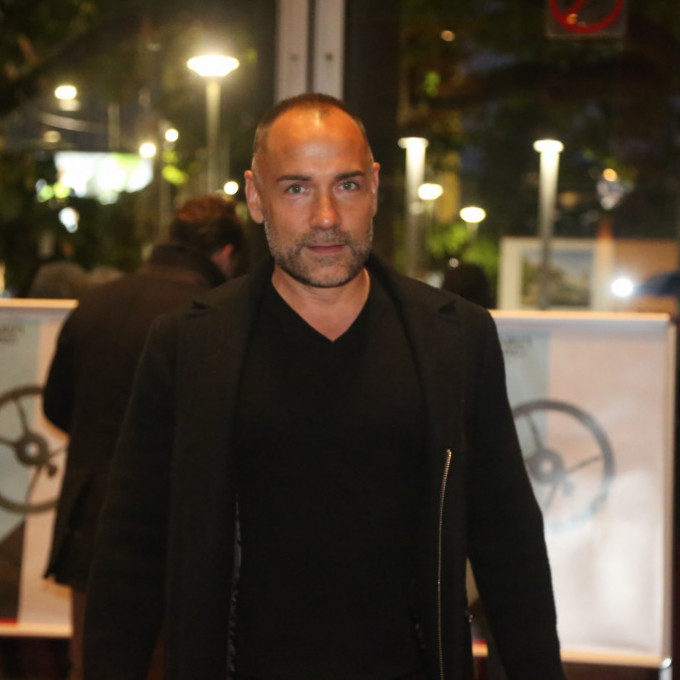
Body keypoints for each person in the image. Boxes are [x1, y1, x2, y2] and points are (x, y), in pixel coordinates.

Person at [83, 94, 565, 680]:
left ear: (375, 188)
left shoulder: (455, 338)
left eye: (347, 185)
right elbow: (131, 547)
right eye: (296, 188)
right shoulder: (187, 344)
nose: (327, 217)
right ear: (255, 197)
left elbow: (506, 537)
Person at [42, 195, 244, 680]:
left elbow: (55, 406)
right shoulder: (213, 318)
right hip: (180, 531)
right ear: (226, 254)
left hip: (89, 522)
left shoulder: (96, 302)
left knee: (92, 663)